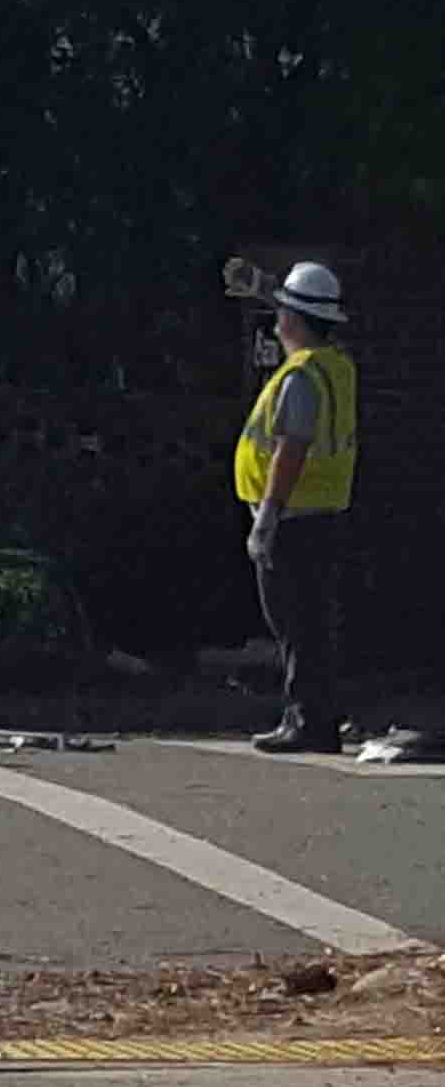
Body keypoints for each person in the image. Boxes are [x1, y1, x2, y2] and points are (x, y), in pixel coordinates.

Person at [235, 259, 358, 757]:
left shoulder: (301, 377)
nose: (276, 318)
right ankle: (318, 718)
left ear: (292, 321)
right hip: (323, 514)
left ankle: (306, 721)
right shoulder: (335, 364)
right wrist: (263, 286)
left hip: (292, 518)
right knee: (311, 623)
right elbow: (301, 317)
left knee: (294, 624)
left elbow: (292, 447)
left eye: (282, 311)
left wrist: (265, 519)